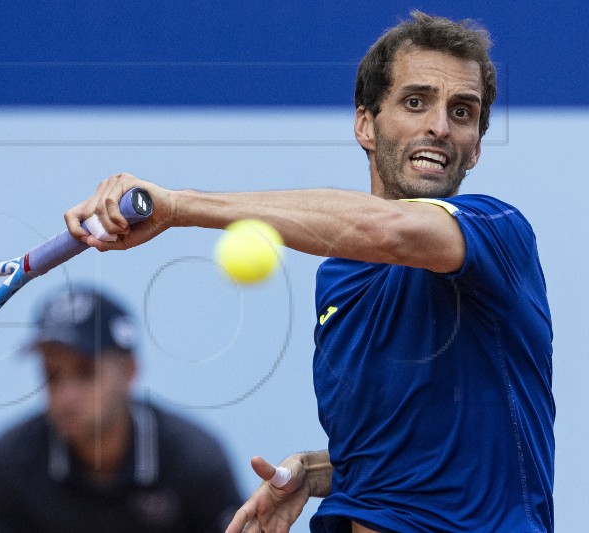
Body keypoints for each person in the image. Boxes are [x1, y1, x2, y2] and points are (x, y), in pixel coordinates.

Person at [63, 10, 555, 533]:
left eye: (462, 112)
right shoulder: (338, 279)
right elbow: (413, 447)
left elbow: (385, 229)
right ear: (366, 123)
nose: (439, 125)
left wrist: (179, 206)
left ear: (476, 145)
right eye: (416, 102)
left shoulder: (497, 232)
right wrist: (318, 472)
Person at [0, 285, 243, 533]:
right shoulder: (12, 461)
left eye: (86, 373)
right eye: (52, 375)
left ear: (129, 371)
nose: (66, 397)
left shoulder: (195, 462)